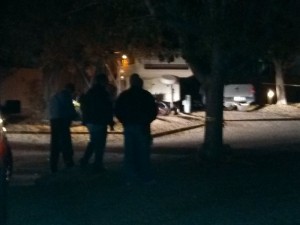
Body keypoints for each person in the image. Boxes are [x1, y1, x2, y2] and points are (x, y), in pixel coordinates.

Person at [115, 73, 158, 184]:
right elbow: (153, 111)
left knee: (129, 152)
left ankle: (130, 176)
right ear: (140, 83)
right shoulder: (146, 95)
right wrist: (147, 120)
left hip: (129, 126)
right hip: (142, 126)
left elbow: (118, 110)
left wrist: (124, 121)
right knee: (143, 152)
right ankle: (145, 176)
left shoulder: (124, 95)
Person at [79, 73, 114, 172]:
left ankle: (85, 160)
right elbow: (107, 109)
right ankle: (97, 164)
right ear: (103, 82)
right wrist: (110, 122)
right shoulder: (103, 93)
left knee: (94, 141)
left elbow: (84, 106)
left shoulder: (90, 92)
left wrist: (85, 120)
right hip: (100, 121)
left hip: (90, 121)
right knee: (100, 143)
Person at [48, 83, 78, 173]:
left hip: (54, 120)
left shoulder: (56, 96)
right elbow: (70, 109)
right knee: (66, 142)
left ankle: (54, 165)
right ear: (71, 90)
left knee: (55, 143)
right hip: (62, 121)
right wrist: (75, 115)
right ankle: (68, 162)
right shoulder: (66, 96)